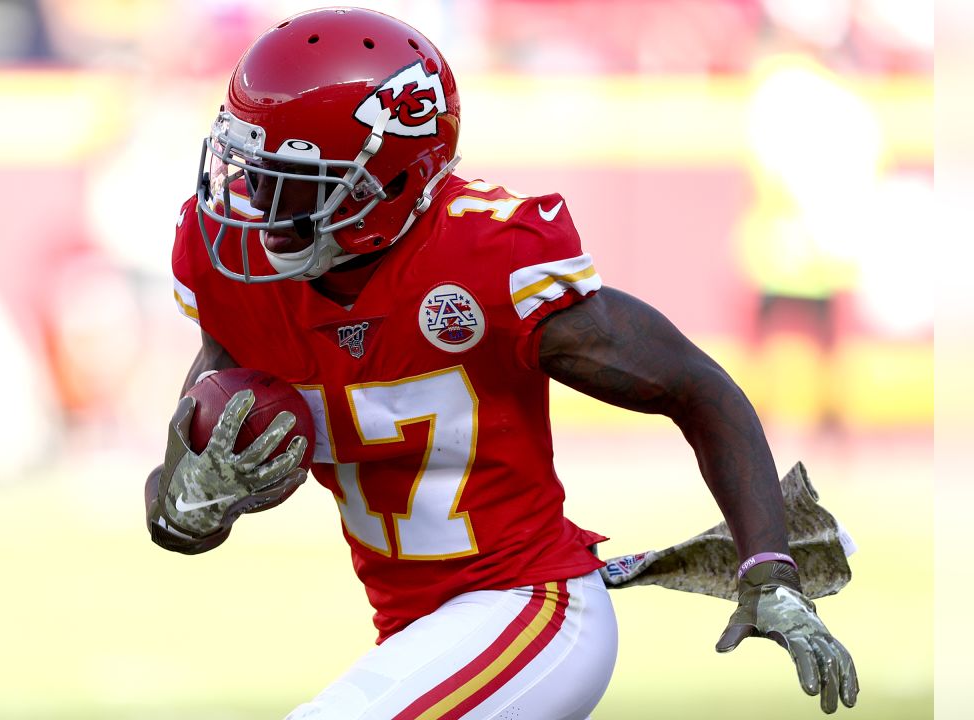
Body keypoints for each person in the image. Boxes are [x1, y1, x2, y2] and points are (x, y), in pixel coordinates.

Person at [145, 8, 858, 719]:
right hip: (418, 631)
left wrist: (770, 569)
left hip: (535, 607)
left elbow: (697, 388)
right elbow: (172, 512)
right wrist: (190, 501)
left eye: (292, 178)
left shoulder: (485, 259)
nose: (254, 203)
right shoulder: (234, 274)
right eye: (250, 168)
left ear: (384, 183)